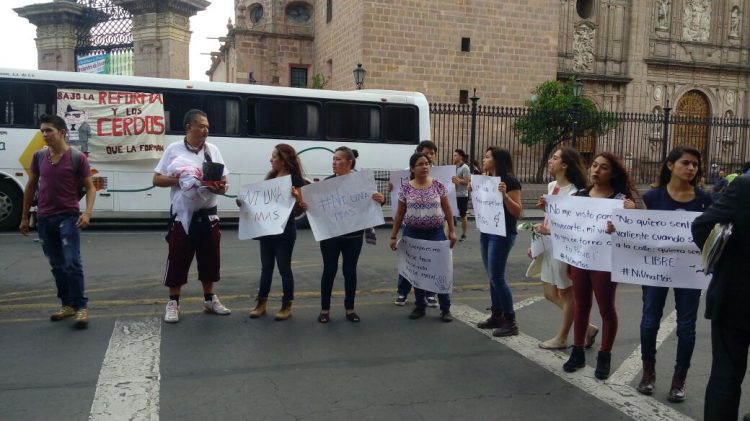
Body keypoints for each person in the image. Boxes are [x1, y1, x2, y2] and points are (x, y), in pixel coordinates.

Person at [634, 146, 712, 402]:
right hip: (656, 270)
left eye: (695, 164)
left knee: (687, 327)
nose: (691, 168)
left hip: (689, 273)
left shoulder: (704, 200)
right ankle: (648, 373)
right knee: (649, 321)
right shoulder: (653, 198)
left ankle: (679, 380)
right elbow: (640, 233)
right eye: (686, 163)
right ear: (670, 165)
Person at [563, 152, 636, 380]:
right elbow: (569, 227)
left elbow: (633, 234)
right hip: (581, 259)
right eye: (594, 165)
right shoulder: (579, 196)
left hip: (605, 262)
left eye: (603, 167)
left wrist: (629, 216)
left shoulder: (621, 200)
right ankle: (577, 352)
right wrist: (550, 209)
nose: (596, 170)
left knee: (606, 309)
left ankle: (605, 355)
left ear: (613, 173)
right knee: (581, 307)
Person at [153, 109, 231, 323]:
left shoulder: (213, 150)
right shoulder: (174, 149)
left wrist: (217, 187)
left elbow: (224, 183)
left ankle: (209, 299)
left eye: (207, 126)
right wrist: (181, 179)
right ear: (189, 127)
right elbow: (157, 180)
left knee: (210, 259)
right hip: (182, 216)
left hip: (208, 215)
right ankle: (173, 302)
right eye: (202, 125)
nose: (206, 130)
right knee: (178, 258)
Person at [19, 114, 96, 329]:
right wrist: (25, 216)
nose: (44, 134)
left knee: (71, 262)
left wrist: (87, 213)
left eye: (49, 130)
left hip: (68, 217)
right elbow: (31, 186)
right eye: (42, 130)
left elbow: (90, 187)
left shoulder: (77, 157)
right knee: (57, 265)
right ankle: (67, 305)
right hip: (44, 219)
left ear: (62, 132)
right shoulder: (38, 157)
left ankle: (81, 307)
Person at [301, 147, 385, 323]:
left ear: (349, 162)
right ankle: (325, 310)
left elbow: (372, 203)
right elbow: (319, 207)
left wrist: (381, 199)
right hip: (331, 236)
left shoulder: (361, 182)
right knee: (329, 271)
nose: (334, 162)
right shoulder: (327, 183)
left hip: (353, 236)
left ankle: (350, 309)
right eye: (333, 159)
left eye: (338, 159)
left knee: (350, 271)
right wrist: (307, 206)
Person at [526, 147, 599, 350]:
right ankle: (588, 327)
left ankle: (562, 338)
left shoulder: (575, 193)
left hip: (564, 248)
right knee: (549, 292)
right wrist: (538, 240)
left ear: (565, 165)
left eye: (555, 158)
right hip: (548, 245)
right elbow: (552, 218)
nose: (551, 160)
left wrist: (550, 232)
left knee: (566, 294)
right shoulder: (551, 186)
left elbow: (574, 226)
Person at [692, 175, 750, 420]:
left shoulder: (744, 186)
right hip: (736, 298)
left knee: (725, 374)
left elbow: (702, 226)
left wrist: (725, 260)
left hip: (736, 295)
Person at [390, 152, 457, 322]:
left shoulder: (438, 185)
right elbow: (399, 214)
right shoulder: (405, 188)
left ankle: (445, 308)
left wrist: (452, 231)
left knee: (441, 270)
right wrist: (393, 236)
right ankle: (420, 306)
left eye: (427, 163)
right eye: (420, 164)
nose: (425, 167)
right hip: (412, 233)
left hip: (435, 232)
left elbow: (448, 210)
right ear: (412, 168)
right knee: (417, 271)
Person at [247, 144, 305, 321]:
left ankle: (287, 305)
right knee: (266, 268)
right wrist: (245, 204)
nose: (270, 160)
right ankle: (261, 303)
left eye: (274, 157)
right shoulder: (270, 177)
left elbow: (298, 210)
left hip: (284, 230)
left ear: (283, 160)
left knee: (284, 268)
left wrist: (297, 198)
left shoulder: (295, 180)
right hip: (267, 230)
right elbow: (260, 204)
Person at [475, 147, 523, 336]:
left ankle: (510, 321)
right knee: (492, 276)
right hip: (487, 230)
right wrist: (474, 190)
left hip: (502, 233)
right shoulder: (485, 180)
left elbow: (518, 212)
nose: (484, 160)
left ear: (497, 161)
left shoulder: (509, 181)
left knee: (497, 277)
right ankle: (496, 315)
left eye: (487, 157)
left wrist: (505, 196)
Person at [393, 140, 439, 308]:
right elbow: (399, 206)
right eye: (426, 153)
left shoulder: (440, 176)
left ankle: (430, 293)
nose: (428, 157)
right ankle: (403, 291)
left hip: (433, 227)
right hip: (411, 226)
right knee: (409, 260)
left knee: (431, 261)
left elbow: (448, 204)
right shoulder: (405, 174)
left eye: (432, 154)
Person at [452, 148, 471, 242]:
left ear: (460, 157)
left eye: (455, 155)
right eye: (454, 155)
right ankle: (448, 234)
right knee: (450, 214)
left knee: (463, 215)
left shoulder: (465, 167)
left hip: (462, 195)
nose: (453, 157)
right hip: (453, 194)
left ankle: (464, 234)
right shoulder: (454, 167)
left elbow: (466, 181)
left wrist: (457, 180)